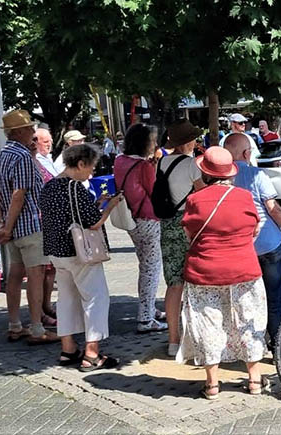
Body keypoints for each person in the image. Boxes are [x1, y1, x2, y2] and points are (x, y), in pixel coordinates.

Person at [178, 147, 266, 400]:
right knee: (249, 321)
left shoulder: (194, 200)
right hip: (244, 269)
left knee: (209, 324)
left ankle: (213, 384)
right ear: (229, 173)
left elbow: (190, 235)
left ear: (205, 172)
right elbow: (253, 230)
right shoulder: (244, 197)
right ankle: (254, 380)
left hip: (204, 271)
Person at [40, 144, 126, 371]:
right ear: (80, 164)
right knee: (95, 298)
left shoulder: (49, 186)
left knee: (66, 300)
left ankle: (68, 349)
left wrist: (97, 204)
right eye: (91, 167)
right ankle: (92, 353)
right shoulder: (75, 188)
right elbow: (93, 222)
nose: (92, 172)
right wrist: (110, 205)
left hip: (56, 251)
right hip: (80, 253)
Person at [223, 133, 281, 349]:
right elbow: (274, 210)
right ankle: (280, 346)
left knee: (247, 302)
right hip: (270, 245)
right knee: (276, 299)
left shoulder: (221, 181)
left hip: (240, 250)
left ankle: (252, 346)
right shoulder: (256, 175)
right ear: (247, 153)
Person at [0, 109, 61, 345]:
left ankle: (15, 324)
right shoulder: (21, 156)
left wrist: (3, 224)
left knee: (14, 275)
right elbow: (18, 195)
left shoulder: (3, 155)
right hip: (29, 224)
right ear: (19, 131)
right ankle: (37, 327)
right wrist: (8, 227)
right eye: (30, 129)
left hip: (14, 227)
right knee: (35, 275)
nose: (33, 133)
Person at [158, 121, 205, 356]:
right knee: (195, 280)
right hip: (188, 224)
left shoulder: (161, 163)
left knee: (173, 283)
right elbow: (202, 194)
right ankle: (194, 337)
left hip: (167, 225)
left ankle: (173, 340)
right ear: (187, 142)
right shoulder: (190, 164)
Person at [115, 123, 167, 332]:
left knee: (144, 264)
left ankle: (149, 308)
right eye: (152, 140)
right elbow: (154, 190)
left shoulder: (120, 161)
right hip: (148, 218)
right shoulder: (144, 166)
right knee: (151, 268)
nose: (154, 144)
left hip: (131, 219)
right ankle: (145, 317)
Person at [32, 128, 60, 326]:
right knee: (42, 269)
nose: (48, 144)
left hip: (52, 219)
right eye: (44, 141)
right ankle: (40, 311)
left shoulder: (48, 159)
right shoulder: (34, 162)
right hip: (41, 220)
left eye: (49, 141)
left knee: (51, 269)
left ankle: (47, 305)